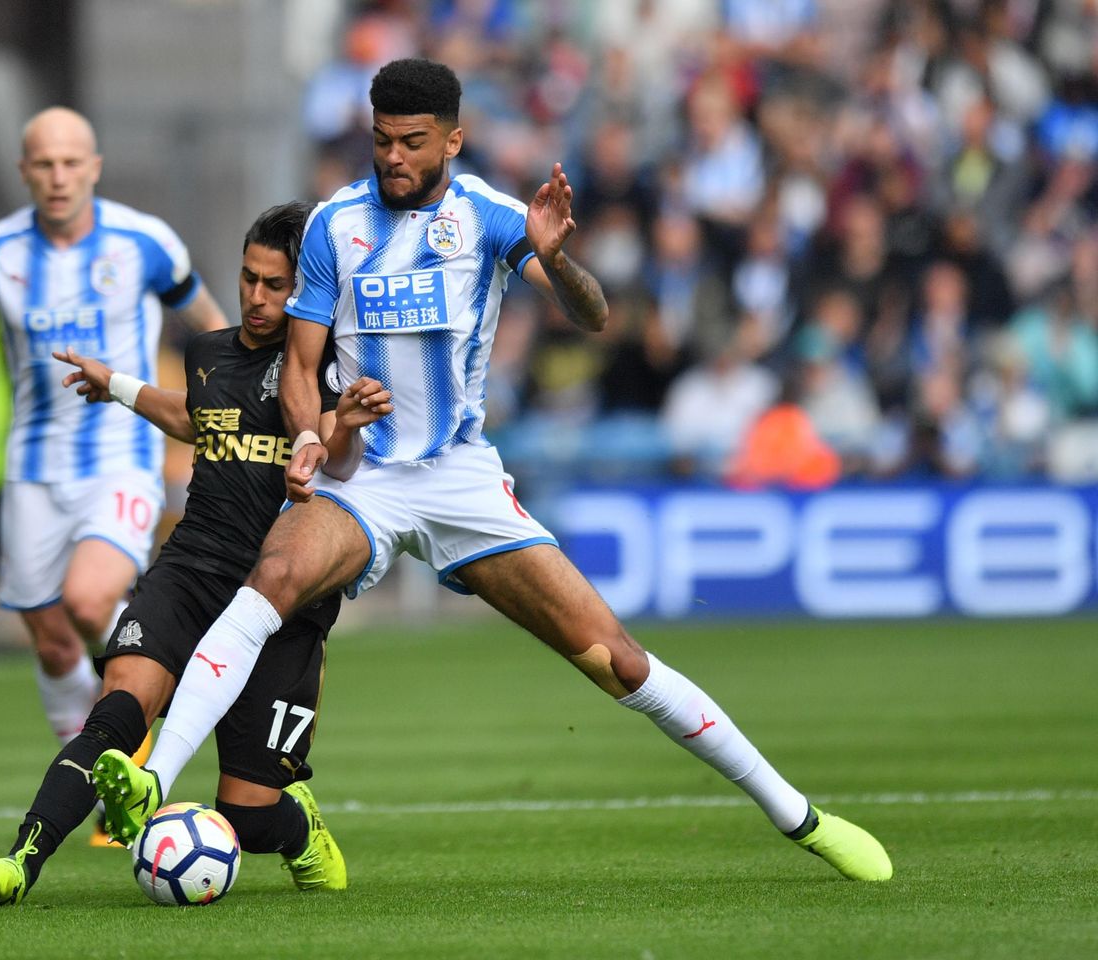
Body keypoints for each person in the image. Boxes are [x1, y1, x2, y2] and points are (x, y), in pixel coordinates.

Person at [93, 58, 894, 883]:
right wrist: (306, 437)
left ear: (453, 140)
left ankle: (801, 816)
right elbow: (300, 368)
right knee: (275, 575)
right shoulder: (334, 225)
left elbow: (593, 315)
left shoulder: (490, 217)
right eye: (381, 140)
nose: (392, 157)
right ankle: (154, 777)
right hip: (364, 478)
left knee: (616, 659)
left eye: (411, 142)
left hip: (458, 479)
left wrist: (558, 260)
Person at [0, 201, 392, 906]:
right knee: (114, 719)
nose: (256, 297)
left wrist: (338, 428)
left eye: (276, 285)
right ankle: (18, 864)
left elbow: (340, 463)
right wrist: (118, 387)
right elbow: (198, 418)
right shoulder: (207, 353)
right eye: (248, 278)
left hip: (282, 597)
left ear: (307, 288)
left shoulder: (329, 370)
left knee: (249, 816)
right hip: (190, 570)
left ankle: (299, 828)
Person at [0, 107, 227, 745]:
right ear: (24, 171)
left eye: (71, 163)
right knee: (53, 641)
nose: (59, 177)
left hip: (121, 457)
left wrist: (228, 391)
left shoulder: (143, 243)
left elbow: (212, 325)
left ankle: (141, 694)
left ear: (94, 168)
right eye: (45, 164)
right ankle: (91, 762)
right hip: (32, 468)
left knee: (87, 601)